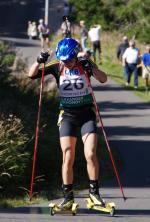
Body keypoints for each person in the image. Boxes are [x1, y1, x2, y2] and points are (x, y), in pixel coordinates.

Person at [28, 38, 107, 209]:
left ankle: (94, 194)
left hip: (86, 114)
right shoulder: (58, 66)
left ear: (75, 56)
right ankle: (68, 197)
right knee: (68, 155)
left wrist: (91, 68)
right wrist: (38, 60)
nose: (67, 63)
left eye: (70, 60)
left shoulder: (84, 63)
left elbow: (103, 79)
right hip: (68, 116)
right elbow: (32, 74)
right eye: (64, 60)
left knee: (91, 153)